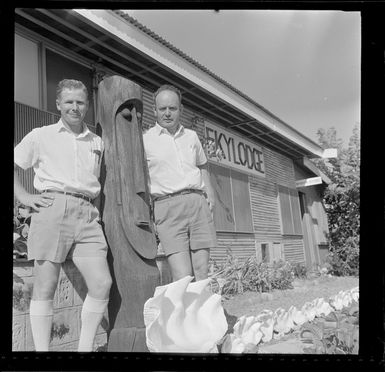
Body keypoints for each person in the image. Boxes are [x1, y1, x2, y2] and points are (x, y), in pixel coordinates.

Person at [14, 79, 112, 352]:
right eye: (69, 102)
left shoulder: (97, 142)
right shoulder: (40, 135)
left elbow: (103, 182)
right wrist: (24, 196)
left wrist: (99, 212)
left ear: (87, 106)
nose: (75, 107)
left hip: (88, 214)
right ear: (58, 104)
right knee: (46, 287)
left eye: (80, 102)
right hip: (52, 208)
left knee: (102, 283)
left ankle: (84, 348)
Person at [143, 84, 217, 282]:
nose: (167, 113)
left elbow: (202, 166)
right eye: (162, 109)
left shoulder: (191, 136)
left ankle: (201, 313)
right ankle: (183, 313)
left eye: (172, 108)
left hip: (197, 203)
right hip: (167, 207)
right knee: (182, 275)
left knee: (201, 270)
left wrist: (210, 194)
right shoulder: (145, 140)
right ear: (154, 111)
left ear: (180, 110)